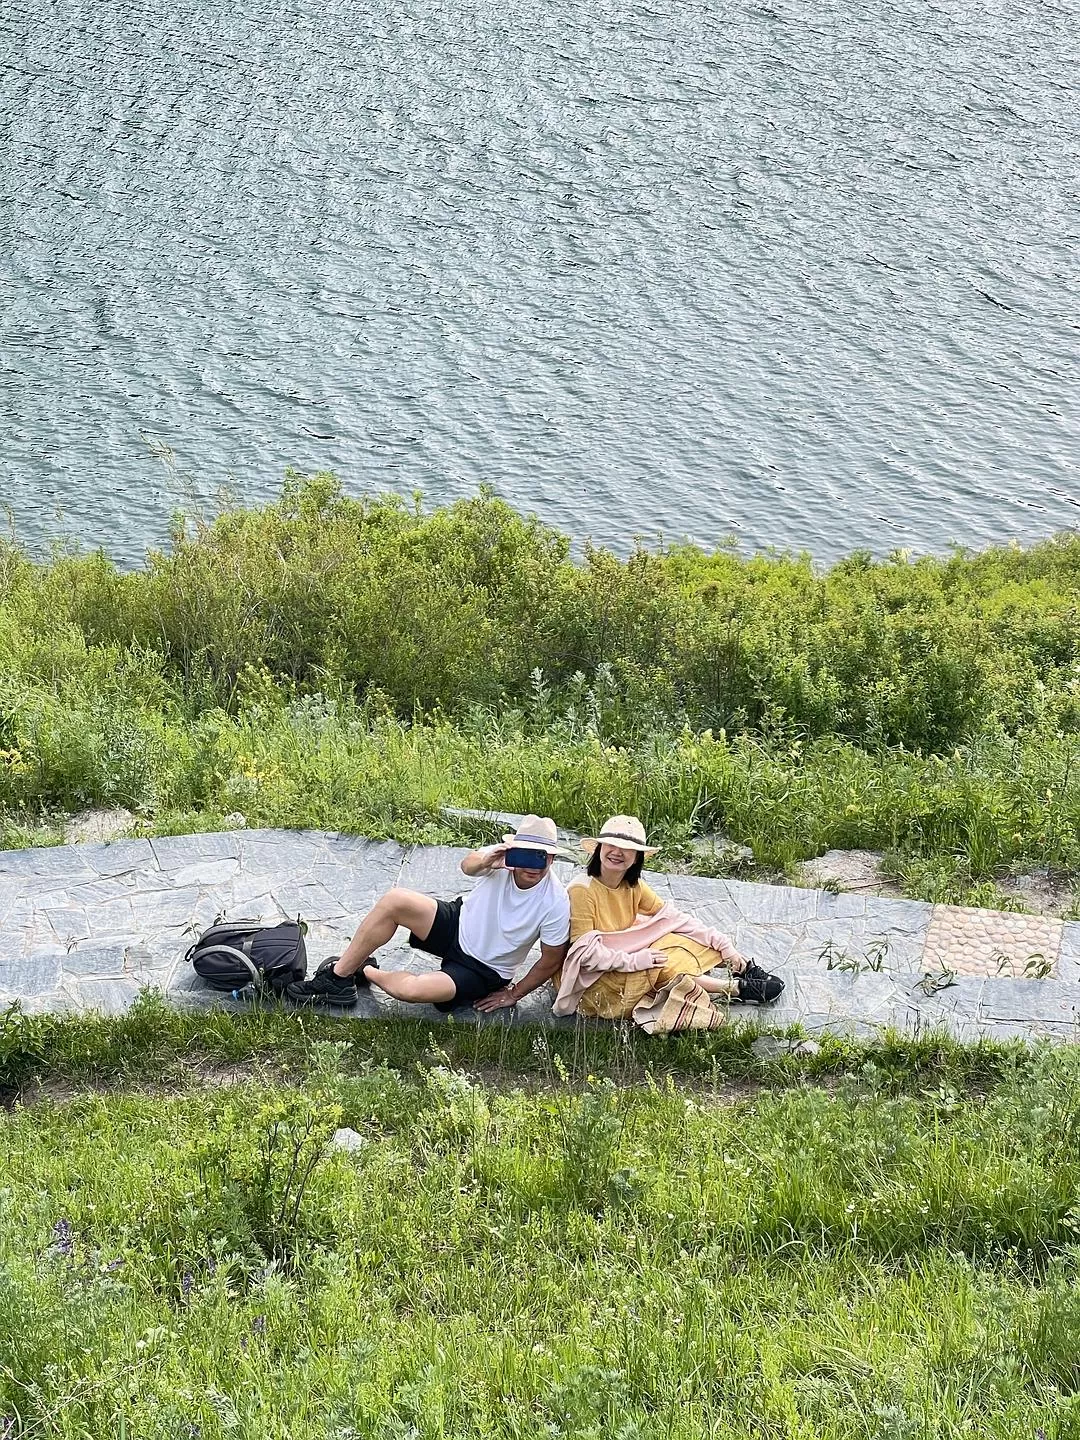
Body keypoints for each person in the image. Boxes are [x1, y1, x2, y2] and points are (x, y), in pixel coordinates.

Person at [287, 816, 571, 1011]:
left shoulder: (555, 901)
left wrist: (514, 993)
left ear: (553, 858)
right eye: (528, 854)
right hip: (459, 923)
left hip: (484, 970)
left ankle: (366, 970)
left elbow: (550, 960)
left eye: (543, 856)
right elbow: (467, 866)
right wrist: (488, 858)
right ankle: (337, 979)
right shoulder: (500, 861)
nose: (534, 864)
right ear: (514, 849)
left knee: (412, 991)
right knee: (395, 900)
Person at [552, 815, 784, 1020]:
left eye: (627, 848)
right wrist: (635, 961)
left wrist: (724, 945)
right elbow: (585, 954)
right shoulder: (582, 890)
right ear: (599, 848)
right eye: (611, 845)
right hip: (595, 976)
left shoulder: (633, 886)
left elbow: (673, 918)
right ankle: (735, 989)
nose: (617, 852)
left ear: (636, 858)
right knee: (659, 966)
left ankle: (741, 967)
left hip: (622, 953)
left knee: (680, 937)